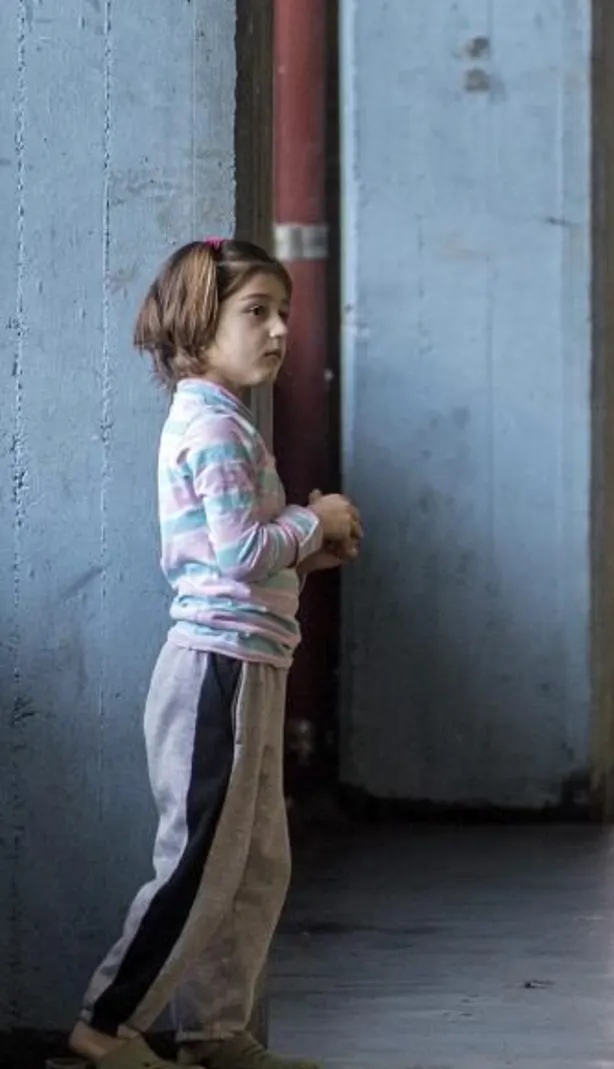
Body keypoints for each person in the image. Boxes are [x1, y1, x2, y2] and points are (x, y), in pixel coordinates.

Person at [68, 237, 362, 1069]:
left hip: (249, 665)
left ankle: (216, 1033)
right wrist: (316, 522)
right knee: (199, 862)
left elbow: (239, 548)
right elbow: (237, 551)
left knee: (255, 862)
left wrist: (307, 542)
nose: (277, 331)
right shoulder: (209, 424)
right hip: (216, 673)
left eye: (284, 314)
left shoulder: (227, 420)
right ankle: (104, 1026)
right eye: (256, 312)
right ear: (200, 325)